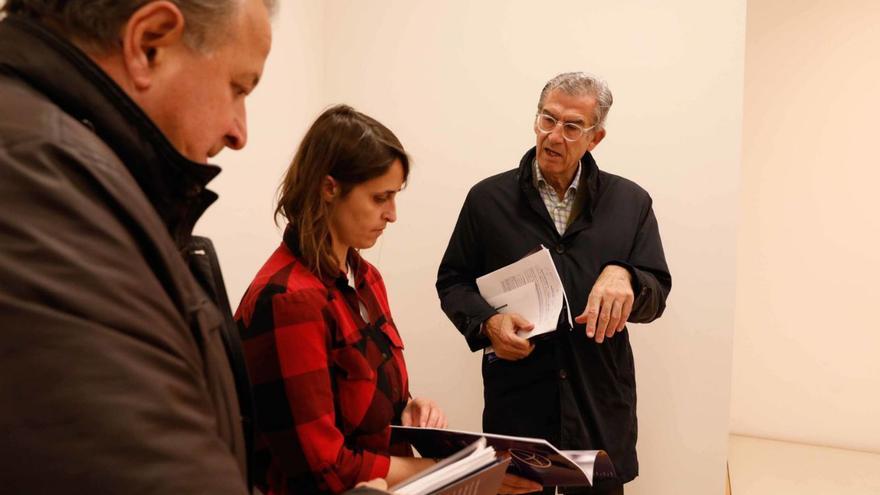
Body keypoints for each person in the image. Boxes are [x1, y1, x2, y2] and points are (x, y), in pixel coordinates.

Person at [0, 0, 274, 492]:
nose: (239, 133)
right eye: (237, 88)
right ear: (149, 45)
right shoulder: (35, 181)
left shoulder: (77, 177)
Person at [436, 72, 672, 494]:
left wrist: (629, 277)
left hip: (598, 410)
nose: (554, 136)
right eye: (548, 119)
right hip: (519, 414)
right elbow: (453, 282)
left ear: (595, 138)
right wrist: (487, 323)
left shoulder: (631, 202)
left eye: (571, 126)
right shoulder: (487, 200)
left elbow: (657, 293)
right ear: (535, 120)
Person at [235, 105, 449, 495]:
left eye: (395, 196)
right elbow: (323, 467)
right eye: (380, 197)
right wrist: (436, 468)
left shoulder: (366, 277)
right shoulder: (289, 301)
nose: (392, 214)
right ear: (329, 188)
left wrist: (407, 409)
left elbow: (360, 404)